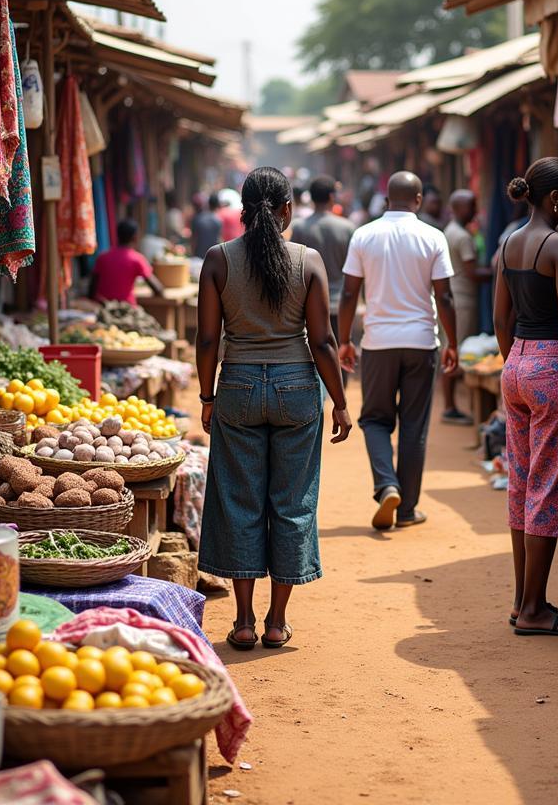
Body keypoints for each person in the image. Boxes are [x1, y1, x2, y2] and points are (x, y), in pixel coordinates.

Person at [196, 166, 352, 651]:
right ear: (288, 209)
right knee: (292, 502)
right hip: (296, 389)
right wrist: (341, 403)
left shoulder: (218, 260)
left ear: (242, 210)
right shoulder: (308, 261)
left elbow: (206, 339)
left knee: (239, 500)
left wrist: (207, 397)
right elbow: (323, 341)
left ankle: (242, 620)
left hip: (238, 386)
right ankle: (276, 621)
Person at [494, 159, 558, 636]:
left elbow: (500, 319)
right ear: (554, 198)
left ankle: (523, 600)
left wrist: (516, 360)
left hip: (515, 364)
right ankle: (534, 610)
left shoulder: (509, 242)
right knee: (550, 487)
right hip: (554, 367)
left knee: (522, 484)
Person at [337, 171, 459, 530]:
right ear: (418, 200)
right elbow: (445, 296)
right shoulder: (433, 236)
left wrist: (345, 340)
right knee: (414, 426)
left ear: (387, 199)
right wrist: (451, 340)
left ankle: (386, 484)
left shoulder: (364, 235)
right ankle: (406, 509)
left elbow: (348, 294)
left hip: (378, 343)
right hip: (422, 342)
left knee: (374, 420)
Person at [291, 176, 357, 383]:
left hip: (309, 303)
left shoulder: (300, 227)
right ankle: (341, 395)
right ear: (331, 197)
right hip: (340, 303)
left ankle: (318, 395)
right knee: (340, 349)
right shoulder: (346, 228)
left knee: (313, 351)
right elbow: (353, 271)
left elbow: (294, 265)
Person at [442, 190, 493, 425]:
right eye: (471, 206)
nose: (474, 210)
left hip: (455, 297)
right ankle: (450, 406)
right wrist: (498, 269)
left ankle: (451, 405)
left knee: (453, 349)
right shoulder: (461, 236)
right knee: (457, 352)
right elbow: (473, 273)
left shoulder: (450, 231)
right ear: (458, 208)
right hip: (463, 299)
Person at [89, 219, 164, 305]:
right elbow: (158, 289)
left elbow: (91, 291)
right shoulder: (137, 259)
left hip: (103, 308)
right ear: (135, 237)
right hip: (126, 309)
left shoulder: (102, 257)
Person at [192, 193, 223, 258]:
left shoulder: (197, 218)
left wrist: (193, 254)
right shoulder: (218, 220)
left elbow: (194, 240)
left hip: (199, 255)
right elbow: (219, 239)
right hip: (213, 255)